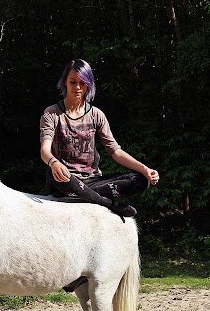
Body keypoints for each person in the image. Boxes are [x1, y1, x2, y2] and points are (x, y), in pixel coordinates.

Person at [39, 59, 159, 218]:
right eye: (73, 82)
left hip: (93, 181)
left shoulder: (96, 114)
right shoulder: (52, 113)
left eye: (82, 83)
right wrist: (53, 163)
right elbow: (45, 151)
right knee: (56, 175)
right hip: (65, 179)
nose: (77, 87)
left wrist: (145, 169)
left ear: (88, 84)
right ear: (65, 82)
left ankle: (85, 194)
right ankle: (109, 204)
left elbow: (115, 151)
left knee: (141, 181)